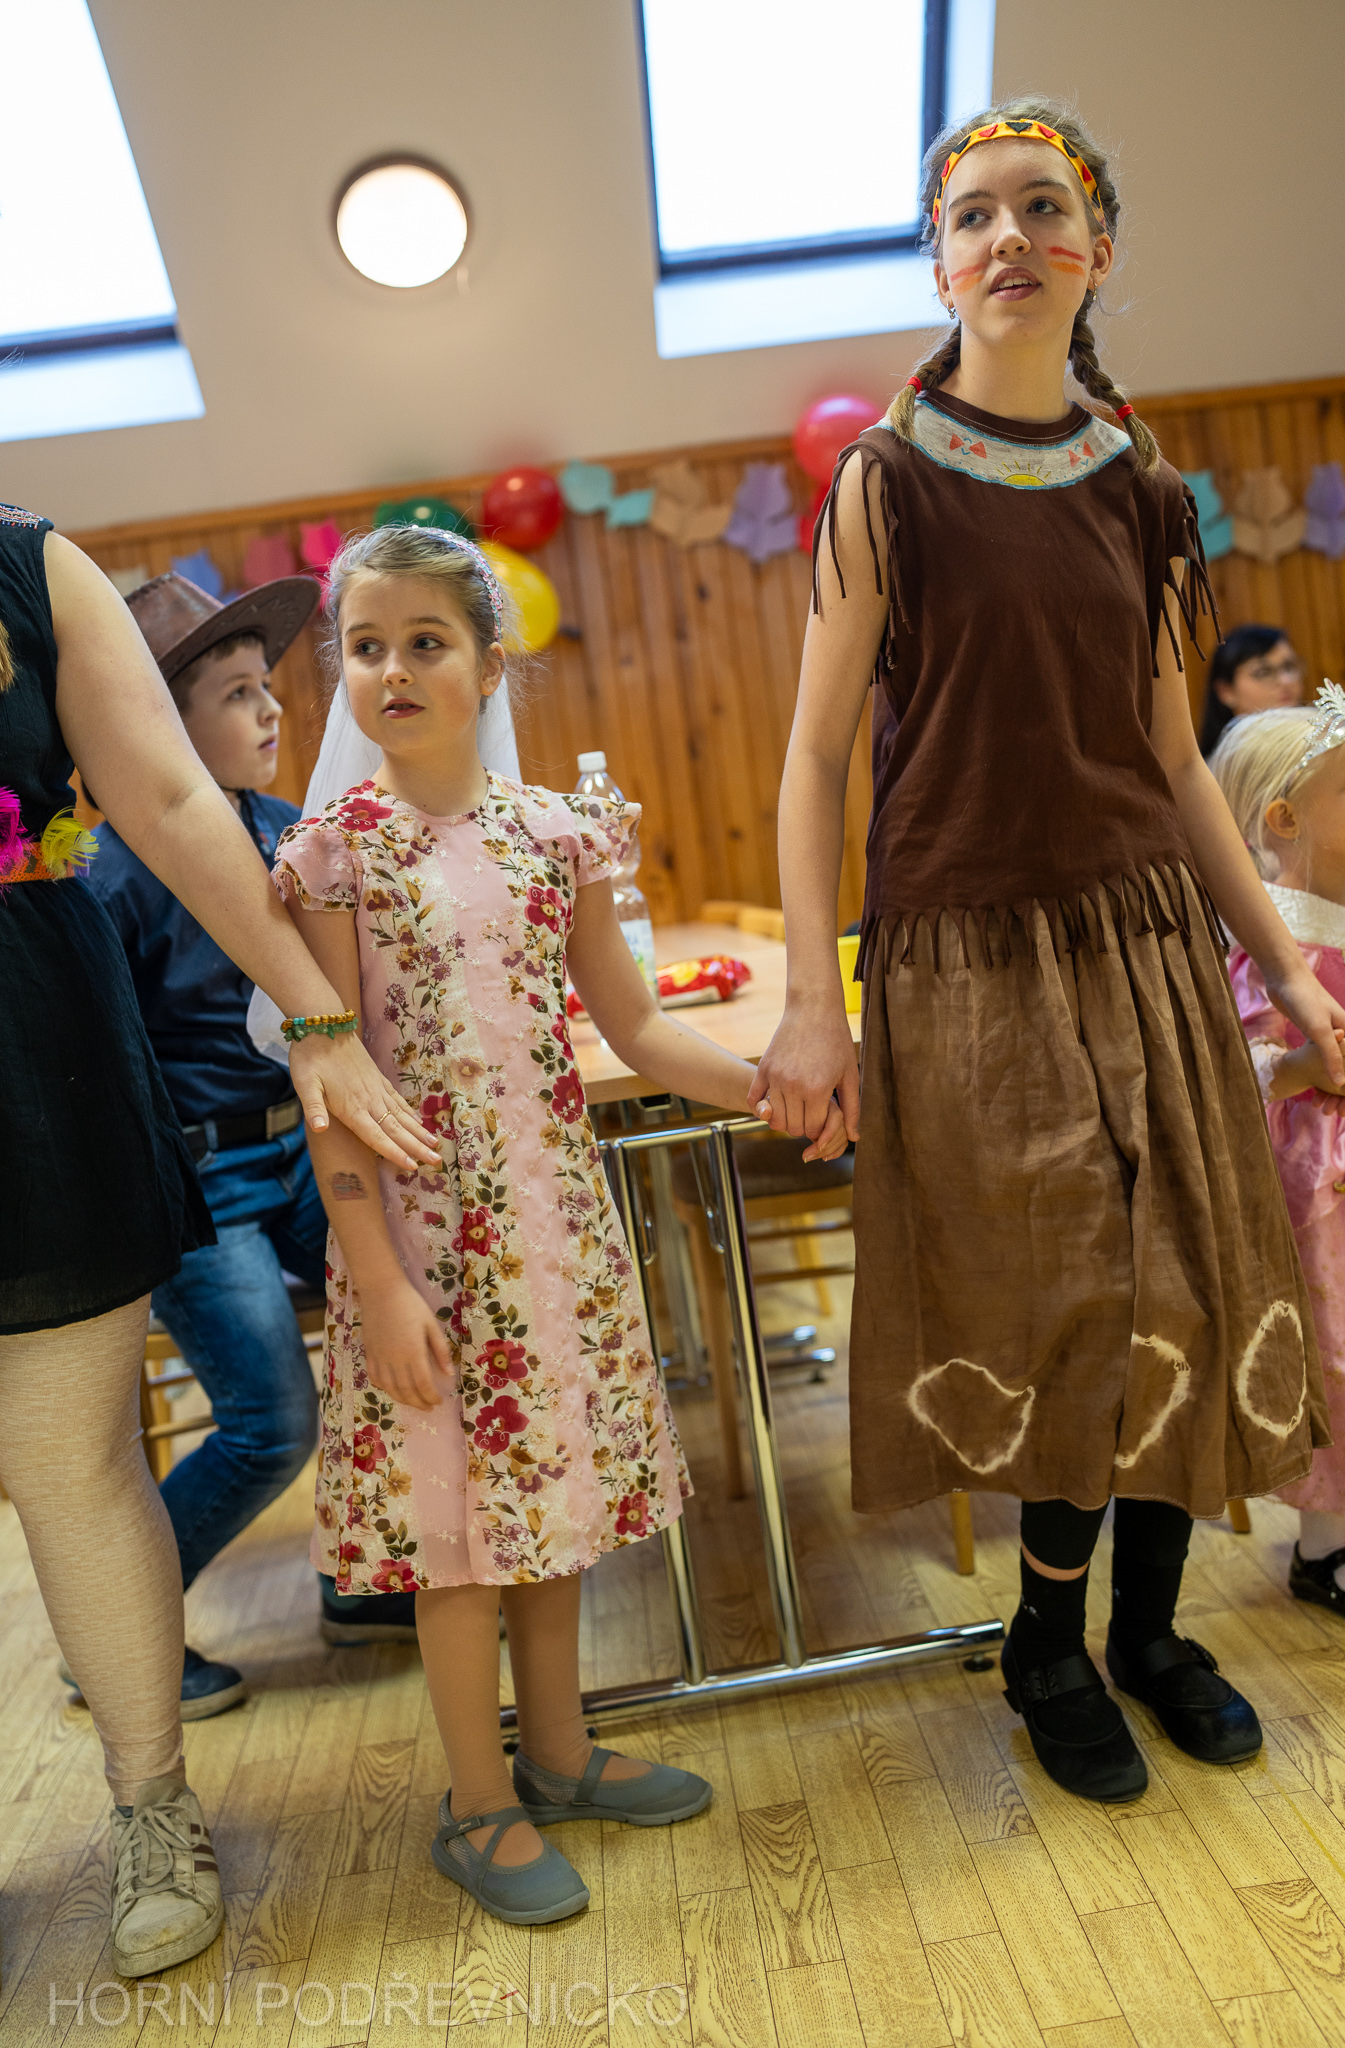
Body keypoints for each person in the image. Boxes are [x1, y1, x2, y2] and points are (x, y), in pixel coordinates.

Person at [752, 99, 1345, 1806]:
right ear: (937, 262)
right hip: (968, 958)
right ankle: (1043, 1643)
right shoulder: (886, 481)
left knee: (1195, 1282)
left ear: (1097, 250)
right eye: (972, 214)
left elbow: (1173, 758)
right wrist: (812, 1003)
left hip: (1146, 938)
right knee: (1071, 1307)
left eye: (1041, 205)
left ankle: (1150, 1634)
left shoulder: (1144, 488)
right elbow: (813, 753)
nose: (1006, 235)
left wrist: (1285, 968)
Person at [273, 522, 846, 1924]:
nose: (392, 670)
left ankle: (563, 1749)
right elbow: (329, 1090)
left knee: (547, 1503)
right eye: (364, 647)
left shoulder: (555, 835)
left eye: (425, 642)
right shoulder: (333, 857)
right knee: (455, 1533)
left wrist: (775, 1087)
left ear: (489, 665)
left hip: (552, 1231)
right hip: (418, 1249)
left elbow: (638, 1030)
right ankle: (478, 1802)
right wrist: (378, 1282)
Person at [0, 505, 440, 1977]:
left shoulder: (30, 565)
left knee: (76, 1463)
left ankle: (152, 1806)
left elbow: (172, 801)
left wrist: (319, 1019)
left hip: (30, 1060)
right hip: (177, 1127)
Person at [83, 573, 418, 1723]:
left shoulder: (291, 834)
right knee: (272, 1420)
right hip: (202, 1178)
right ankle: (116, 1637)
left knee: (413, 1323)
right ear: (158, 727)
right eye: (235, 694)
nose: (271, 709)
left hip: (312, 1148)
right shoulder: (109, 877)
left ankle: (363, 1575)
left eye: (265, 686)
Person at [1211, 689, 1345, 1613]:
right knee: (1334, 1350)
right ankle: (1322, 1545)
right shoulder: (1273, 937)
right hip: (1315, 1182)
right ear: (1283, 818)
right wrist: (1306, 1065)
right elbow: (1240, 1064)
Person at [1198, 623, 1304, 755]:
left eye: (1288, 667)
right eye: (1263, 672)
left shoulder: (1321, 740)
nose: (1285, 681)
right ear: (1226, 691)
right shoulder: (1215, 765)